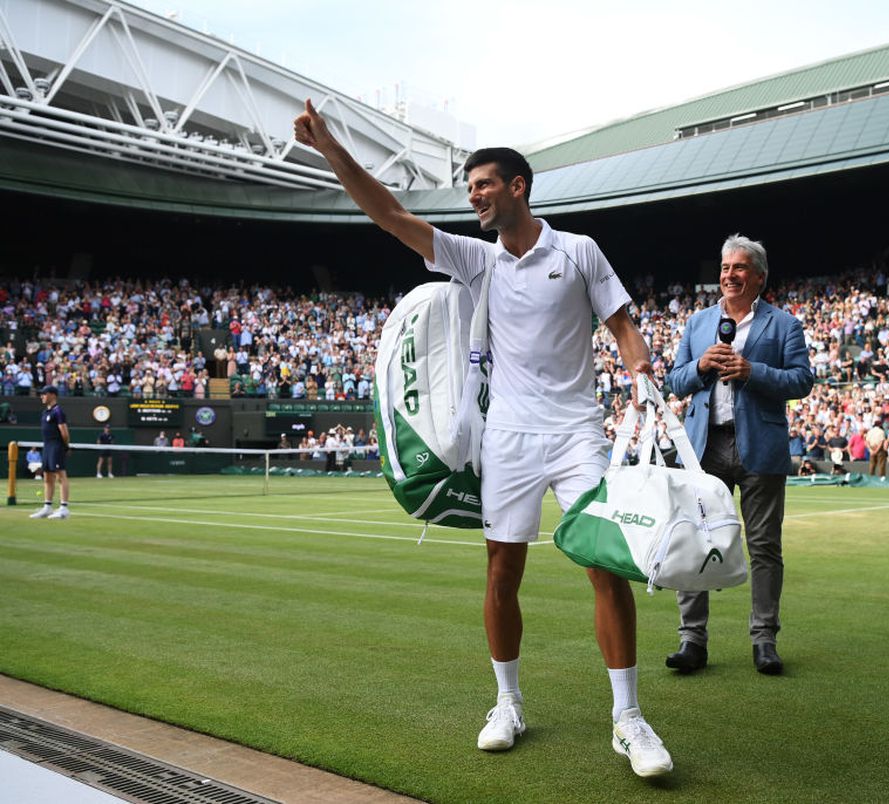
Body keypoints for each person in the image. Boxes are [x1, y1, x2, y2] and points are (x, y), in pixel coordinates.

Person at [294, 102, 672, 777]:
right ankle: (508, 704)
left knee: (605, 566)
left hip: (577, 432)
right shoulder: (476, 259)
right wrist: (330, 149)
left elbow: (621, 326)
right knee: (502, 572)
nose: (473, 196)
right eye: (469, 188)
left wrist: (641, 373)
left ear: (517, 187)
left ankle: (629, 718)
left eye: (483, 185)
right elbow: (391, 215)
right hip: (508, 437)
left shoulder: (579, 251)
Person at [663, 234, 814, 677]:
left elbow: (802, 381)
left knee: (764, 546)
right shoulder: (698, 323)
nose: (730, 275)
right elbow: (675, 381)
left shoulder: (784, 325)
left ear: (759, 277)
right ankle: (692, 640)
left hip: (760, 446)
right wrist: (700, 367)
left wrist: (752, 371)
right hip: (704, 447)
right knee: (693, 539)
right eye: (726, 268)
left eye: (740, 267)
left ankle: (764, 640)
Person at [29, 385, 70, 520]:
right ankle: (47, 507)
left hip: (56, 446)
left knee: (60, 476)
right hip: (47, 446)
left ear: (53, 395)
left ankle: (64, 508)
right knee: (47, 476)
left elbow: (64, 432)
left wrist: (65, 446)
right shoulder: (45, 412)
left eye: (44, 394)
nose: (42, 396)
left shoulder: (58, 411)